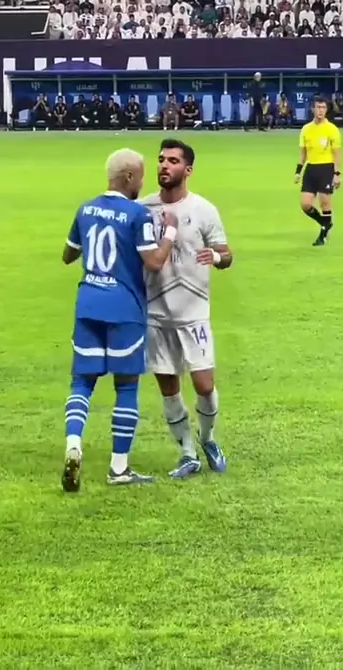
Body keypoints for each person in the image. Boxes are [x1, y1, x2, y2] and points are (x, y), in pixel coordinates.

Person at [61, 148, 178, 491]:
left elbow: (68, 255)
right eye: (141, 175)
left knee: (82, 382)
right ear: (128, 177)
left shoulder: (85, 209)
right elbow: (154, 262)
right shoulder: (137, 214)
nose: (143, 181)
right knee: (126, 385)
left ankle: (73, 444)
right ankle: (119, 468)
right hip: (124, 308)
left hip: (88, 304)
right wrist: (169, 233)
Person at [141, 139, 233, 479]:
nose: (164, 165)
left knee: (204, 385)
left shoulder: (204, 209)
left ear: (188, 170)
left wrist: (217, 256)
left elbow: (227, 254)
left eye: (173, 161)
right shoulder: (142, 208)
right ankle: (187, 453)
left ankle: (207, 439)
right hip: (156, 314)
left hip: (194, 314)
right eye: (161, 159)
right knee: (169, 388)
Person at [294, 97, 341, 247]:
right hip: (311, 168)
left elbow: (337, 153)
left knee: (325, 203)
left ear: (326, 110)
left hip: (326, 168)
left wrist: (337, 174)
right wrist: (298, 171)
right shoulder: (306, 129)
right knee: (305, 204)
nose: (320, 110)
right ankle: (325, 223)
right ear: (313, 109)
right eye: (318, 107)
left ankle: (322, 236)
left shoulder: (331, 129)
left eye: (323, 107)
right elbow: (303, 154)